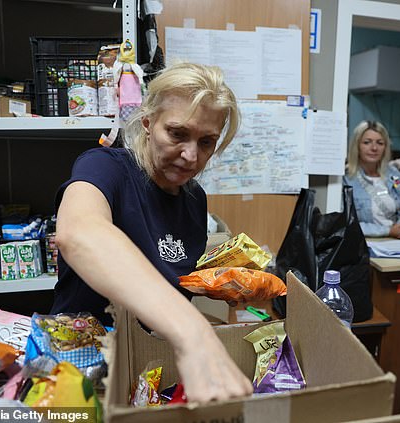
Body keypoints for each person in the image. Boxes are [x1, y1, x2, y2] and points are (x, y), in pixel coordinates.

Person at [51, 62, 253, 402]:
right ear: (147, 123)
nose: (191, 156)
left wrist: (212, 285)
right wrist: (193, 332)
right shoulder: (104, 168)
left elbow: (165, 281)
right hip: (79, 365)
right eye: (177, 134)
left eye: (206, 142)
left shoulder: (194, 199)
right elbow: (79, 232)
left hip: (148, 372)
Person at [343, 120, 400, 238]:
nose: (374, 148)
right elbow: (346, 223)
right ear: (356, 146)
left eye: (380, 143)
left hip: (396, 241)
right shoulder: (345, 178)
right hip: (362, 242)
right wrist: (387, 231)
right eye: (367, 142)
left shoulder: (394, 175)